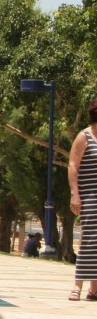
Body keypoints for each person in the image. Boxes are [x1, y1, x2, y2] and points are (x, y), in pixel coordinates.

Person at [67, 99, 97, 301]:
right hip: (89, 195)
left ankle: (94, 290)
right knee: (90, 238)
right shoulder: (84, 136)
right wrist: (74, 194)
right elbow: (73, 165)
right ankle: (77, 284)